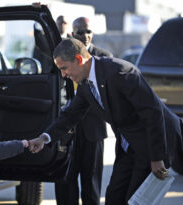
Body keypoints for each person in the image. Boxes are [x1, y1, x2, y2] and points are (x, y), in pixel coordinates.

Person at [28, 38, 183, 205]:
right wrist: (44, 138)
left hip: (154, 140)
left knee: (136, 200)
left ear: (79, 60)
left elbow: (153, 112)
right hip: (129, 144)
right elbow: (70, 115)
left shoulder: (121, 72)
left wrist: (157, 158)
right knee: (114, 197)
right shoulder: (85, 85)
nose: (63, 74)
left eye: (64, 68)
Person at [54, 17, 112, 205]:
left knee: (91, 180)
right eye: (81, 32)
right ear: (72, 33)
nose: (85, 36)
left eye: (88, 31)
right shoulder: (63, 54)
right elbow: (44, 45)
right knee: (65, 179)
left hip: (93, 129)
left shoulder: (104, 57)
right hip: (67, 130)